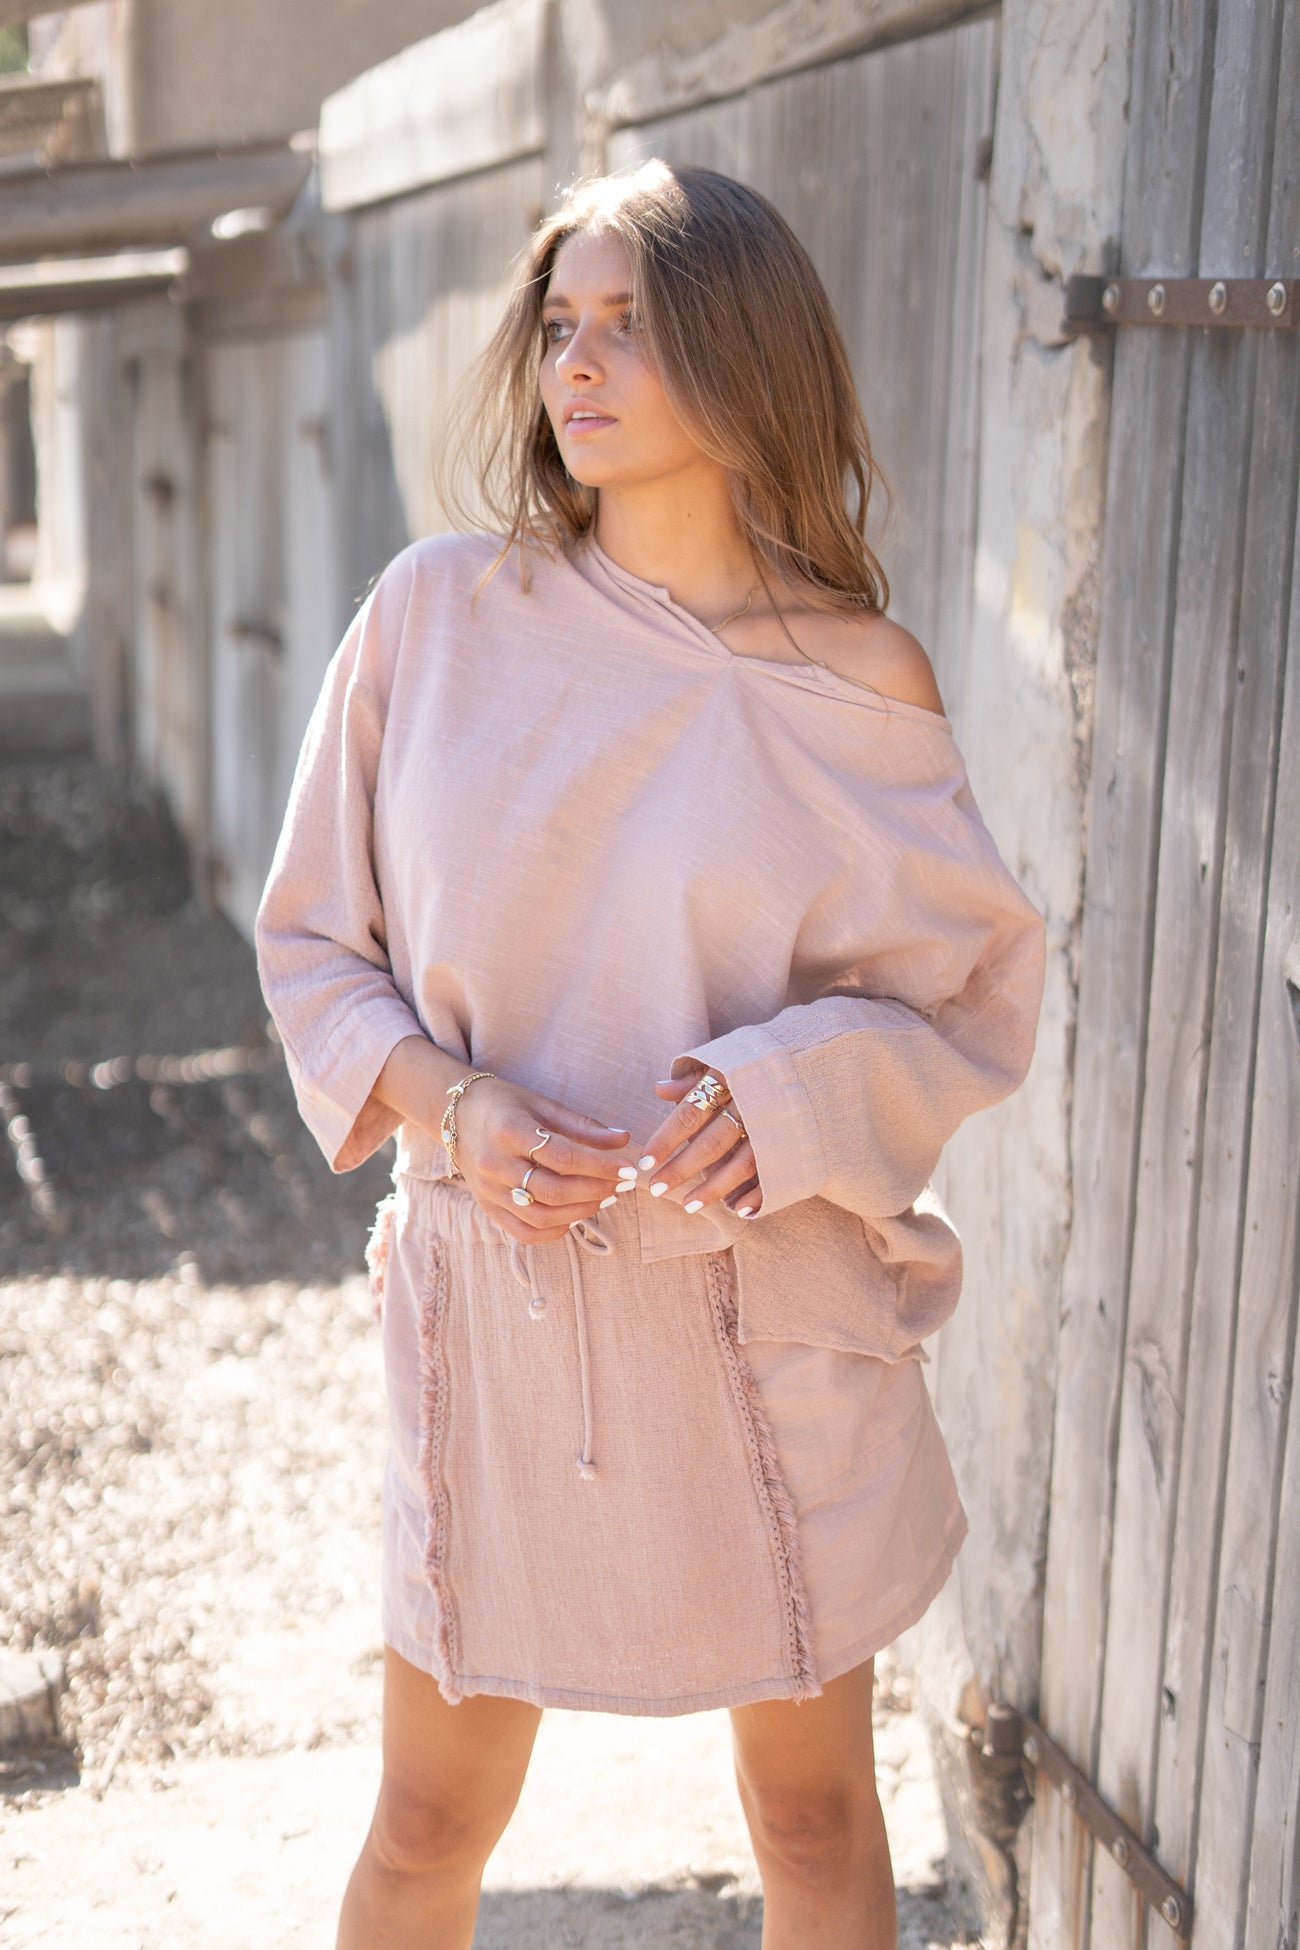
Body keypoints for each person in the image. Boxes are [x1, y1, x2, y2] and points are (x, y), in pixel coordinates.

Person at [255, 158, 1046, 1950]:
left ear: (744, 348)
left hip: (767, 1323)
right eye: (560, 326)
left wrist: (787, 1097)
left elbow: (963, 1001)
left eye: (629, 323)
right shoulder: (435, 620)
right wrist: (453, 1105)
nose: (579, 364)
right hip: (504, 1314)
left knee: (813, 1816)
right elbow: (312, 944)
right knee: (426, 1820)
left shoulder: (861, 677)